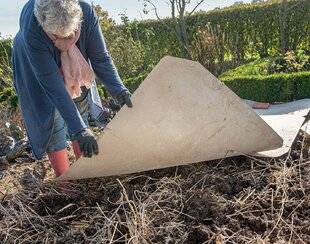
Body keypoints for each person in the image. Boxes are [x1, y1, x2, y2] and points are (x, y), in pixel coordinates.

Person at [12, 0, 133, 177]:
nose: (63, 41)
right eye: (56, 36)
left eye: (68, 35)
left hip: (76, 64)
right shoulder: (32, 29)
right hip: (35, 66)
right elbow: (53, 88)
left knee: (79, 107)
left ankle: (85, 172)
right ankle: (66, 181)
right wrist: (79, 129)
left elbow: (100, 58)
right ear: (43, 25)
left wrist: (119, 90)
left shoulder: (86, 12)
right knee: (53, 119)